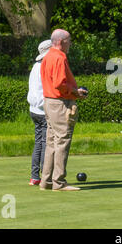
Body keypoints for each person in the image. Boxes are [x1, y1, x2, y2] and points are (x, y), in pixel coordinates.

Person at [39, 29, 88, 191]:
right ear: (61, 42)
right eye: (69, 40)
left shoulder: (47, 57)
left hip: (49, 101)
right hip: (59, 103)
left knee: (52, 142)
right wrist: (76, 92)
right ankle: (59, 182)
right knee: (62, 141)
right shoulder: (59, 57)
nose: (70, 43)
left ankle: (46, 181)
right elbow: (60, 83)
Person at [27, 39, 52, 186]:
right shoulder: (45, 66)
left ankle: (34, 176)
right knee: (45, 143)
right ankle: (45, 176)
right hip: (43, 109)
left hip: (33, 109)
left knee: (39, 143)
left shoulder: (35, 66)